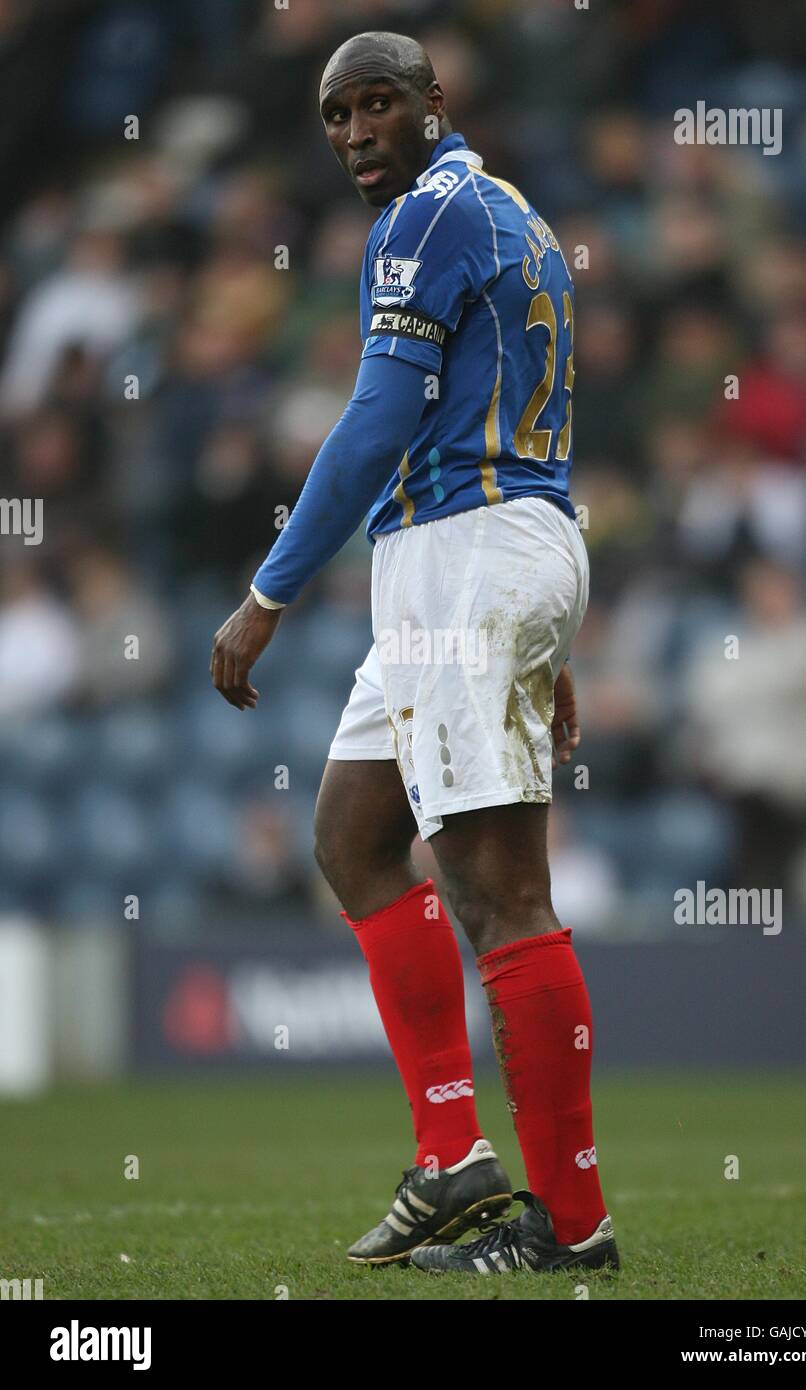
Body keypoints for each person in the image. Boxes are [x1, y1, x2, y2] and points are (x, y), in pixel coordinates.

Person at [211, 31, 618, 1277]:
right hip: (477, 559)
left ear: (434, 103)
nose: (354, 133)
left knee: (501, 893)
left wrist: (268, 592)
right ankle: (452, 1157)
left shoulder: (425, 219)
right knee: (350, 832)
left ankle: (569, 1222)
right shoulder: (510, 216)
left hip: (467, 551)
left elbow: (382, 414)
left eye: (378, 105)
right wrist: (539, 642)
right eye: (336, 115)